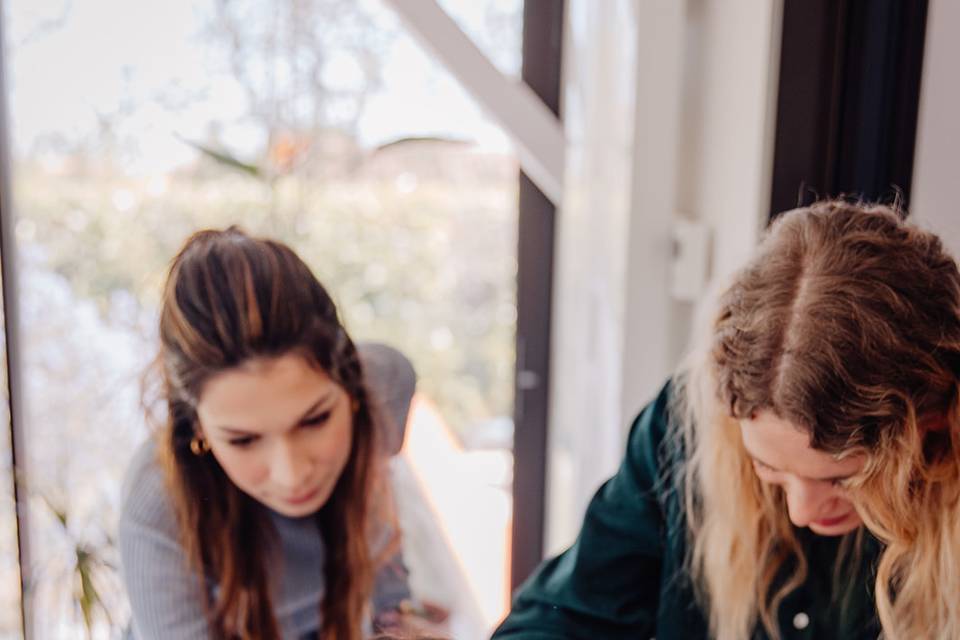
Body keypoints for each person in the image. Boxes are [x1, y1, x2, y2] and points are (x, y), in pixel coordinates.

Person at [493, 201, 960, 640]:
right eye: (769, 468)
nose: (801, 510)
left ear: (934, 425)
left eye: (845, 479)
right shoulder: (683, 430)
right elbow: (570, 614)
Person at [119, 227, 417, 639]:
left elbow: (373, 498)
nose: (292, 475)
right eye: (243, 440)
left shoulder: (386, 387)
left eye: (314, 420)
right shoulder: (157, 504)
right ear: (199, 430)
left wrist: (396, 615)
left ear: (350, 387)